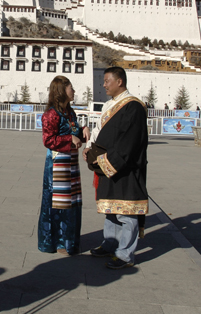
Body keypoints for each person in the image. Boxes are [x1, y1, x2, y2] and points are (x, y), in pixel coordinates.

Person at [83, 67, 148, 270]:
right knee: (111, 209)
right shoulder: (110, 105)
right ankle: (110, 243)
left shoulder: (133, 107)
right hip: (108, 163)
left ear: (120, 81)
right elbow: (101, 131)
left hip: (125, 167)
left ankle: (125, 253)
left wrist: (110, 162)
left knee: (126, 213)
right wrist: (91, 150)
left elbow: (129, 141)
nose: (104, 85)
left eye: (107, 80)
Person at [38, 76, 89, 256]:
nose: (73, 91)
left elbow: (74, 132)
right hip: (57, 164)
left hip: (71, 164)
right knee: (59, 203)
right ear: (61, 91)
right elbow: (48, 140)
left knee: (72, 201)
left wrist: (83, 131)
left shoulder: (70, 112)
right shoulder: (51, 114)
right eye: (70, 88)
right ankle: (58, 242)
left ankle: (70, 240)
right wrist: (69, 139)